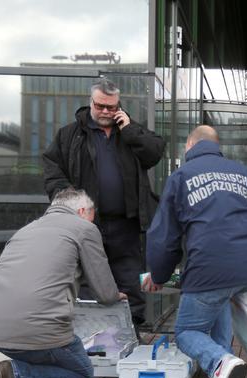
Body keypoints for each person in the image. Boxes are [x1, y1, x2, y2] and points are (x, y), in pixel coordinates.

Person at [143, 125, 247, 378]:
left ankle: (220, 362)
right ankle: (221, 373)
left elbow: (164, 236)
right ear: (218, 146)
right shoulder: (245, 173)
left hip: (211, 264)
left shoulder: (181, 177)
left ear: (190, 145)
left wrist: (159, 274)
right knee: (219, 298)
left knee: (188, 331)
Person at [0, 188, 127, 378]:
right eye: (92, 215)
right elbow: (103, 291)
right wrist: (114, 295)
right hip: (39, 328)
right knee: (82, 375)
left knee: (44, 351)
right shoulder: (84, 228)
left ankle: (16, 375)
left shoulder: (26, 230)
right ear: (82, 211)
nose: (94, 221)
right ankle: (16, 374)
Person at [42, 78, 165, 326]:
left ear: (118, 105)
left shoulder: (130, 130)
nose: (106, 112)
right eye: (100, 106)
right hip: (86, 225)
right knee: (89, 281)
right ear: (91, 103)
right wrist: (71, 203)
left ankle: (130, 338)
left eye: (111, 107)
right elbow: (52, 170)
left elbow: (155, 153)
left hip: (127, 225)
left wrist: (129, 130)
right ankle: (92, 340)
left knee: (131, 282)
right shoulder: (70, 134)